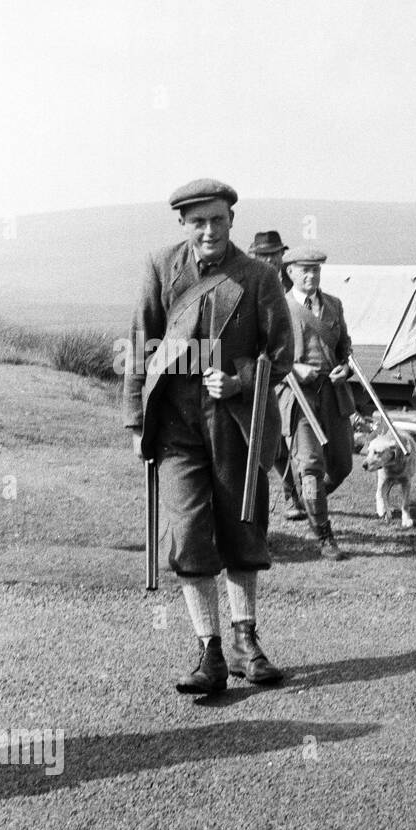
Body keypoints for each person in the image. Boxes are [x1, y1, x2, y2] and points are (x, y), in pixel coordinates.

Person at [124, 179, 294, 693]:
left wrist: (240, 379)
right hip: (176, 425)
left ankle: (247, 642)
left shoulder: (259, 276)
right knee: (190, 533)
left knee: (243, 529)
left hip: (236, 424)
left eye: (218, 220)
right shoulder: (159, 267)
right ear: (183, 224)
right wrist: (136, 420)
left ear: (231, 221)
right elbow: (140, 343)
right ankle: (210, 654)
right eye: (198, 222)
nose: (209, 231)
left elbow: (281, 355)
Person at [278, 247, 356, 560]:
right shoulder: (278, 308)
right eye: (304, 270)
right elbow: (266, 353)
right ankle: (325, 536)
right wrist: (293, 368)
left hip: (332, 394)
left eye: (316, 270)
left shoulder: (334, 305)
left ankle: (305, 495)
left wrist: (345, 368)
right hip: (297, 394)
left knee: (341, 464)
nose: (311, 275)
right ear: (290, 273)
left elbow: (345, 347)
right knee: (311, 465)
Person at [248, 230, 308, 522]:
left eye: (275, 253)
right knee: (272, 436)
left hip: (300, 369)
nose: (271, 259)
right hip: (265, 372)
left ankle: (312, 490)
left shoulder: (294, 284)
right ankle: (290, 495)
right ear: (254, 256)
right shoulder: (249, 283)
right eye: (264, 254)